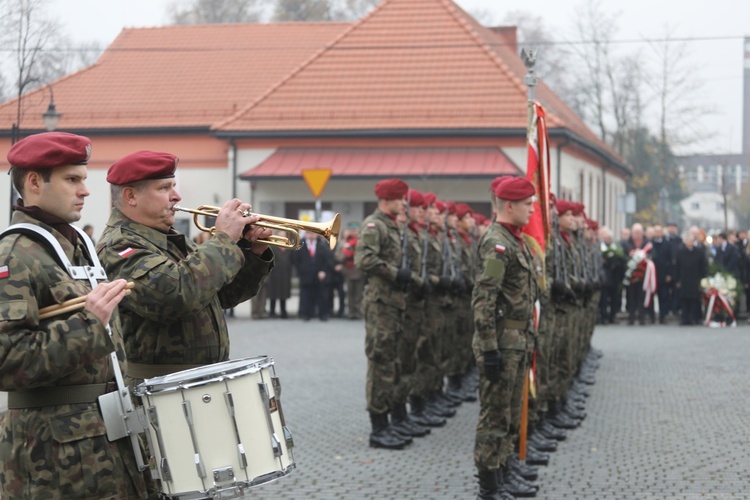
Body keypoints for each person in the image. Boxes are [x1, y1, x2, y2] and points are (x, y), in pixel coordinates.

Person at [0, 132, 150, 498]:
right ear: (34, 182)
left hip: (101, 444)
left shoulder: (75, 247)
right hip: (52, 460)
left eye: (83, 179)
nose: (85, 190)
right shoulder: (15, 254)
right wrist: (88, 324)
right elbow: (6, 360)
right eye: (72, 179)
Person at [97, 150, 274, 381]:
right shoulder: (119, 246)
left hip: (199, 380)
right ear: (131, 196)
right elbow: (175, 297)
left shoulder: (167, 238)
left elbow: (223, 296)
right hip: (158, 388)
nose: (176, 196)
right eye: (164, 188)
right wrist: (223, 240)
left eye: (174, 186)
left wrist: (252, 252)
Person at [473, 177, 540, 499]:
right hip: (501, 342)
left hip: (517, 339)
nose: (532, 209)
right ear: (509, 206)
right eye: (527, 204)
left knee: (510, 413)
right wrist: (488, 350)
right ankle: (489, 487)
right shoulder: (497, 244)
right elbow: (484, 299)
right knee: (494, 416)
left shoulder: (515, 240)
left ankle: (504, 472)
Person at [355, 178, 412, 450]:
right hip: (381, 304)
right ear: (387, 199)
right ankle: (378, 428)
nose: (403, 203)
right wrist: (394, 272)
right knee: (380, 362)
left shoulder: (392, 225)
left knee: (393, 362)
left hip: (393, 303)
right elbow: (363, 258)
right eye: (400, 199)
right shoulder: (374, 225)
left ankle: (390, 420)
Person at [292, 230, 335, 321]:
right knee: (305, 295)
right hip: (306, 275)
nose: (311, 235)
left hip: (319, 275)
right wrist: (301, 271)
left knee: (321, 295)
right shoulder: (300, 245)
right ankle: (306, 314)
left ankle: (322, 314)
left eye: (313, 233)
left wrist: (323, 271)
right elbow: (296, 260)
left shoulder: (322, 245)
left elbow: (327, 259)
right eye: (309, 233)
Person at [674, 234, 708, 325]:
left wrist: (702, 279)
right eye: (688, 241)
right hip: (684, 279)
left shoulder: (699, 252)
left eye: (692, 241)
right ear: (685, 242)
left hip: (695, 279)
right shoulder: (680, 252)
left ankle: (693, 318)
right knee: (684, 300)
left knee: (694, 300)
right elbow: (677, 267)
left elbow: (703, 266)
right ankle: (685, 318)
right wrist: (677, 280)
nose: (690, 243)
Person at [337, 223, 365, 319]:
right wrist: (346, 250)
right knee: (350, 293)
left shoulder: (362, 241)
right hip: (348, 271)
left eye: (355, 230)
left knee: (359, 294)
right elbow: (338, 256)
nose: (353, 232)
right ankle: (351, 312)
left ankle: (358, 312)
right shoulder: (345, 242)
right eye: (351, 230)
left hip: (359, 271)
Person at [268, 240, 293, 318]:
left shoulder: (289, 248)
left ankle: (283, 311)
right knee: (273, 294)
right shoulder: (273, 247)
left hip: (285, 275)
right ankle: (272, 311)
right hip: (274, 275)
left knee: (283, 294)